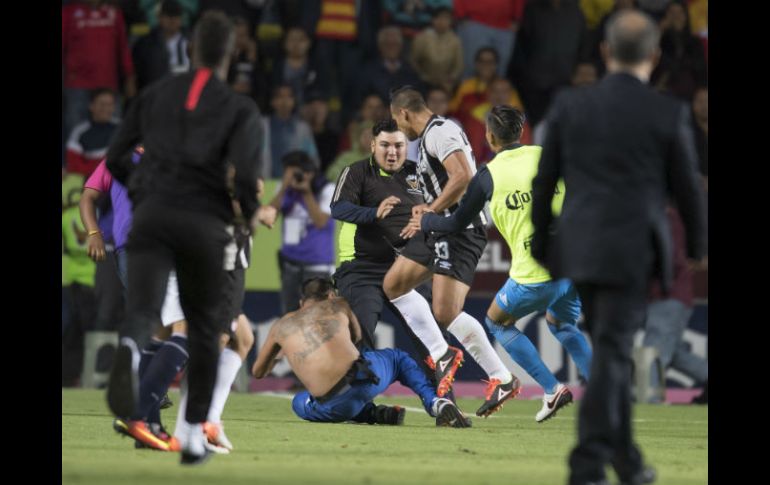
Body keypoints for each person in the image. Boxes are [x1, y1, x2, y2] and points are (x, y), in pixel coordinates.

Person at [530, 10, 707, 485]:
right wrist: (697, 243)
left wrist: (543, 244)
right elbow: (688, 188)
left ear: (606, 53)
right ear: (654, 54)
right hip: (634, 250)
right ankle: (586, 462)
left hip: (581, 245)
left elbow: (544, 183)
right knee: (612, 349)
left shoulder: (570, 104)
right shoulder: (668, 111)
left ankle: (627, 461)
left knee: (610, 348)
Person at [105, 11, 263, 465]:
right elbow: (249, 174)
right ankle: (193, 439)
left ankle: (131, 350)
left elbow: (115, 157)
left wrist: (141, 191)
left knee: (142, 313)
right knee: (208, 330)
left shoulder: (155, 94)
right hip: (203, 224)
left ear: (190, 48)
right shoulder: (239, 109)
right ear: (230, 56)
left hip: (150, 216)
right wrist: (247, 216)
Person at [405, 105, 593, 423]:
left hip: (534, 274)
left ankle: (551, 389)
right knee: (561, 323)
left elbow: (456, 224)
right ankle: (607, 396)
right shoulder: (549, 156)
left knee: (497, 323)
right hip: (574, 264)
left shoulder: (488, 175)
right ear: (522, 132)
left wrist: (426, 221)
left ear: (490, 136)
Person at [386, 87, 520, 418]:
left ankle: (502, 377)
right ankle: (442, 352)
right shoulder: (429, 138)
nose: (397, 126)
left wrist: (431, 208)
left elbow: (463, 176)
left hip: (460, 229)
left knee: (446, 312)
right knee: (393, 285)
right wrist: (424, 212)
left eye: (395, 119)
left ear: (404, 113)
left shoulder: (440, 132)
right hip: (439, 228)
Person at [251, 278, 472, 428]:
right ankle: (435, 403)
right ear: (330, 294)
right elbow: (358, 338)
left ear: (302, 302)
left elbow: (259, 372)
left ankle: (372, 414)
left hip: (331, 406)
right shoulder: (338, 303)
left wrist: (280, 356)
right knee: (398, 359)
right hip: (365, 380)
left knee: (299, 402)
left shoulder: (281, 327)